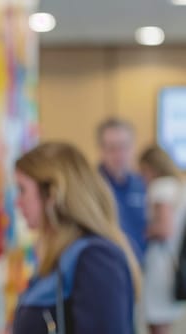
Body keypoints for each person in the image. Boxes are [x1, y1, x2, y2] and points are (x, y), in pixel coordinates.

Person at [12, 142, 141, 334]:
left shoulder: (96, 259)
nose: (17, 202)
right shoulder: (61, 254)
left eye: (22, 190)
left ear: (53, 194)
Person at [139, 145, 186, 334]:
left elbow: (165, 229)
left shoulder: (160, 187)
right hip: (174, 262)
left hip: (160, 265)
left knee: (157, 324)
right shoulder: (179, 185)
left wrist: (142, 232)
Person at [97, 117, 147, 264]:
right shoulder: (92, 186)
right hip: (106, 267)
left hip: (139, 268)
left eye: (124, 146)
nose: (119, 154)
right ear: (101, 150)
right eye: (112, 148)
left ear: (133, 148)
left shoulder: (141, 183)